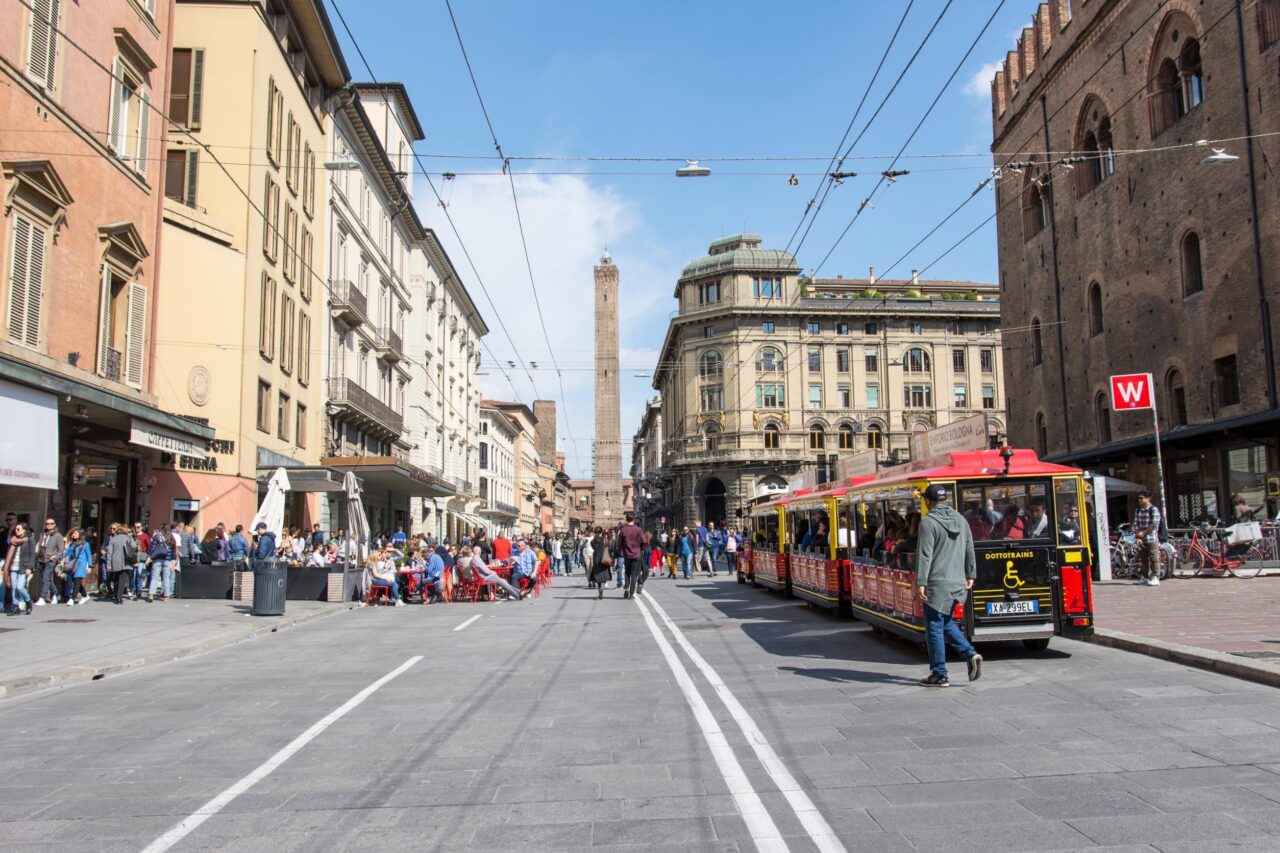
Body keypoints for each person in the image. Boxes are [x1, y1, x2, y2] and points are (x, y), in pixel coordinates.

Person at [914, 484, 982, 687]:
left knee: (934, 626)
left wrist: (920, 583)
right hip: (957, 581)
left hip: (936, 582)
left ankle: (939, 673)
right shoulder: (961, 520)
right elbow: (970, 546)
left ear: (928, 501)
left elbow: (925, 555)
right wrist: (971, 573)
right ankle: (970, 654)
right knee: (945, 622)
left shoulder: (928, 523)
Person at [1133, 490, 1162, 587]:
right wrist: (1138, 535)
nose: (1140, 500)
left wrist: (1143, 533)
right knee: (1143, 558)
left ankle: (1155, 577)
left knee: (1154, 558)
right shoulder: (1138, 510)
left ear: (1148, 498)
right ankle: (1144, 577)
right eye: (1139, 498)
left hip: (1151, 538)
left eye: (1141, 498)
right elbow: (1135, 524)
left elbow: (1154, 525)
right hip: (1141, 539)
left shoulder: (1153, 509)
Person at [4, 522, 35, 615]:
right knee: (13, 587)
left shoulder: (29, 539)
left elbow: (32, 554)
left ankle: (28, 601)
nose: (16, 531)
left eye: (18, 529)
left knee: (19, 587)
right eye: (16, 529)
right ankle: (15, 606)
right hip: (13, 565)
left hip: (23, 566)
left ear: (24, 530)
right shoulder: (13, 539)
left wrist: (30, 567)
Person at [35, 518, 65, 606]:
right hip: (41, 559)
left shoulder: (58, 536)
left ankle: (42, 598)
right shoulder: (42, 534)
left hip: (50, 560)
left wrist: (55, 557)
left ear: (54, 524)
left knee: (45, 578)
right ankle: (56, 593)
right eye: (47, 523)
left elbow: (61, 550)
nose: (49, 525)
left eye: (51, 523)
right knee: (47, 579)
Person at [617, 512, 646, 600]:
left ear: (626, 520)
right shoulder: (638, 529)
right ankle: (631, 593)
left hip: (627, 554)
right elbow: (644, 541)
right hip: (636, 554)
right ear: (633, 520)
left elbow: (619, 543)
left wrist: (623, 548)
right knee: (634, 574)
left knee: (627, 572)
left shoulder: (623, 530)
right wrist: (640, 548)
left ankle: (626, 588)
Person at [61, 527, 92, 605]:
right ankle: (85, 596)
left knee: (77, 581)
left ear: (80, 535)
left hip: (81, 565)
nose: (73, 535)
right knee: (75, 582)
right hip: (73, 565)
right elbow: (67, 552)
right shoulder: (72, 544)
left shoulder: (85, 544)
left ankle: (72, 599)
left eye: (75, 534)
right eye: (73, 534)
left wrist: (89, 566)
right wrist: (59, 557)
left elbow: (89, 556)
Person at [107, 523, 133, 605]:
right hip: (126, 561)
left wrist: (108, 563)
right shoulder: (127, 538)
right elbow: (134, 546)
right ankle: (119, 597)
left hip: (115, 562)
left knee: (117, 578)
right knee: (122, 580)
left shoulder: (113, 539)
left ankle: (117, 594)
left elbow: (109, 552)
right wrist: (130, 537)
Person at [588, 527, 614, 600]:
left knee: (598, 576)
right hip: (604, 559)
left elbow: (593, 548)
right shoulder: (605, 540)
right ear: (601, 532)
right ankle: (602, 588)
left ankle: (599, 588)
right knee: (604, 576)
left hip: (596, 560)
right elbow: (610, 548)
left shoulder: (592, 541)